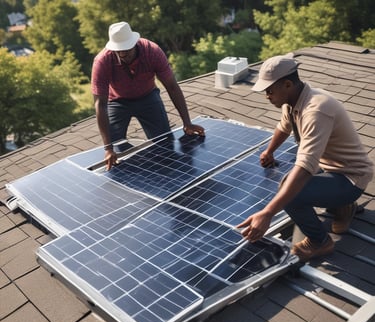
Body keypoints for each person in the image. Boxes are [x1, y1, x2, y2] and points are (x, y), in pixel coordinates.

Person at [237, 54, 373, 262]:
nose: (267, 96)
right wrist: (269, 151)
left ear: (288, 84)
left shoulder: (316, 110)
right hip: (332, 169)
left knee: (291, 192)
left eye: (269, 90)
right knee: (289, 184)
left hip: (351, 178)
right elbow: (284, 127)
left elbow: (305, 166)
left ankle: (320, 242)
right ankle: (343, 208)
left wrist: (268, 213)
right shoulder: (293, 101)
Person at [91, 21, 205, 170]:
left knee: (164, 143)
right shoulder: (102, 61)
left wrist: (187, 122)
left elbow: (171, 86)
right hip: (117, 102)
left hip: (147, 97)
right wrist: (107, 148)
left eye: (126, 50)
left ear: (134, 44)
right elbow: (100, 104)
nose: (122, 54)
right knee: (114, 148)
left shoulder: (152, 52)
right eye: (118, 51)